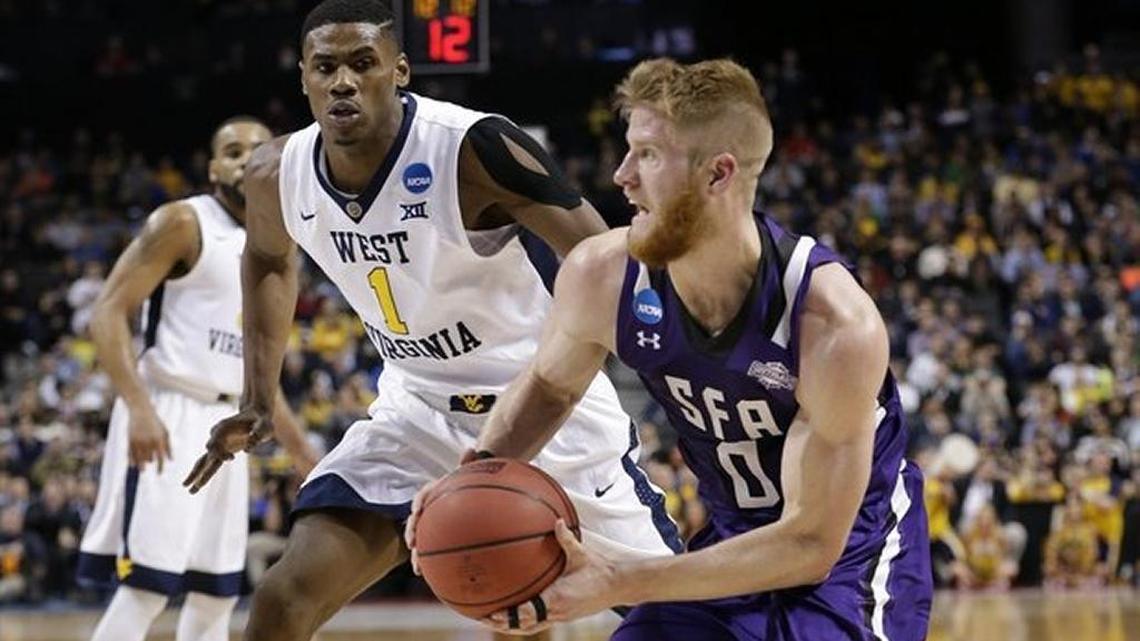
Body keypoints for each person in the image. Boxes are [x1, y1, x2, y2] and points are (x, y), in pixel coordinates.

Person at [182, 2, 682, 640]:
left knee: (677, 621)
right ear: (303, 78)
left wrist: (663, 372)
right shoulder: (274, 174)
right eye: (325, 67)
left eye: (363, 63)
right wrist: (257, 397)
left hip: (540, 404)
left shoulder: (475, 148)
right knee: (283, 599)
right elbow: (267, 263)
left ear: (400, 72)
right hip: (417, 410)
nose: (343, 81)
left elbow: (606, 258)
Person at [409, 58, 933, 640]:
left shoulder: (832, 322)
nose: (621, 175)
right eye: (628, 150)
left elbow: (810, 543)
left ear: (718, 174)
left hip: (853, 564)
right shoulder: (602, 275)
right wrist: (476, 480)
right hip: (730, 548)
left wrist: (623, 579)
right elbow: (550, 386)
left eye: (649, 155)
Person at [77, 116, 316, 641]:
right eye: (233, 151)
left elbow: (261, 372)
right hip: (170, 409)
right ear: (213, 167)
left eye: (258, 149)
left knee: (217, 592)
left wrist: (303, 453)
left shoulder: (277, 241)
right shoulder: (184, 222)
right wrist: (140, 408)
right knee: (146, 585)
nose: (247, 158)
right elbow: (108, 312)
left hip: (231, 421)